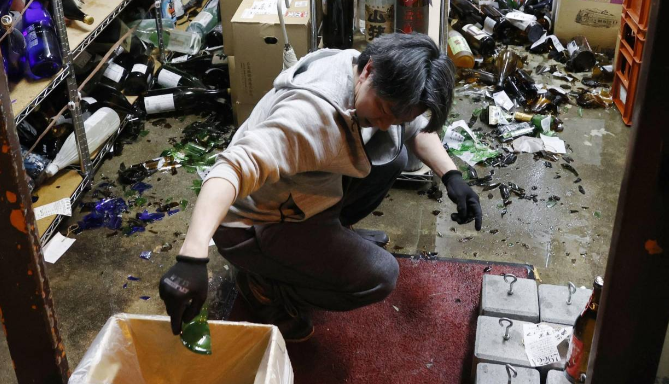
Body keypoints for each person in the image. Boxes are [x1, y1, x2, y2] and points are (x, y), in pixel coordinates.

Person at [159, 33, 483, 341]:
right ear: (368, 72)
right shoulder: (310, 119)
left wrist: (451, 175)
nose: (386, 123)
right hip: (254, 223)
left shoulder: (370, 69)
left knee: (393, 154)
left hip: (299, 194)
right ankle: (264, 284)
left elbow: (412, 125)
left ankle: (329, 235)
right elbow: (230, 168)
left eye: (395, 117)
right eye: (383, 111)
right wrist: (192, 256)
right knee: (380, 276)